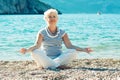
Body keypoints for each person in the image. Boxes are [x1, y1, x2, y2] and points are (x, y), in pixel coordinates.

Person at [20, 9, 93, 69]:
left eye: (54, 16)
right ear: (46, 19)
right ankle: (56, 66)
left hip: (59, 58)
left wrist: (83, 49)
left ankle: (50, 65)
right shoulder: (42, 32)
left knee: (73, 51)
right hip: (45, 58)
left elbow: (69, 46)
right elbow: (37, 45)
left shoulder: (62, 33)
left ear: (57, 18)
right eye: (50, 17)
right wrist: (26, 50)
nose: (52, 18)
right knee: (35, 52)